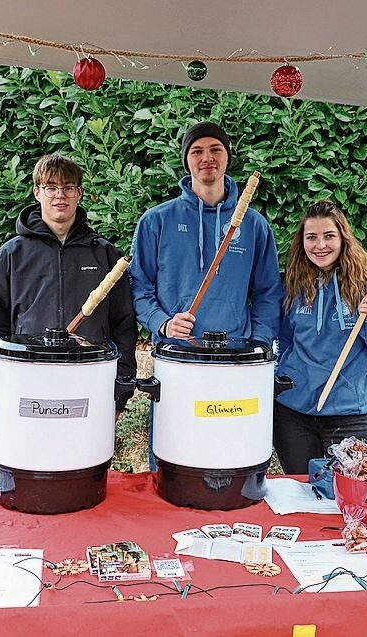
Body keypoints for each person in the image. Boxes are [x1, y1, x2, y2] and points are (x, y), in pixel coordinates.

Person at [130, 121, 283, 467]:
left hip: (235, 364)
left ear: (227, 157)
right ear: (187, 160)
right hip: (177, 360)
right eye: (197, 151)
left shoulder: (254, 225)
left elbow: (268, 292)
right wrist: (164, 324)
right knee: (175, 458)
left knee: (229, 454)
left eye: (216, 149)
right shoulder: (156, 221)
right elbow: (139, 286)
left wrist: (258, 344)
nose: (207, 158)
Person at [0, 154, 137, 411]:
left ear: (79, 193)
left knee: (89, 452)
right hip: (29, 384)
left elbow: (124, 325)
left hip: (90, 380)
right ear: (37, 192)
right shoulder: (11, 255)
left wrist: (122, 382)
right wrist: (7, 375)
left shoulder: (105, 254)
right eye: (51, 187)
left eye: (68, 187)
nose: (60, 195)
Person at [274, 200, 367, 474]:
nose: (320, 245)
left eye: (329, 236)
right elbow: (284, 342)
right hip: (293, 413)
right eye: (312, 237)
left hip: (348, 414)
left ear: (343, 238)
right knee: (301, 495)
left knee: (347, 498)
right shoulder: (294, 285)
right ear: (302, 242)